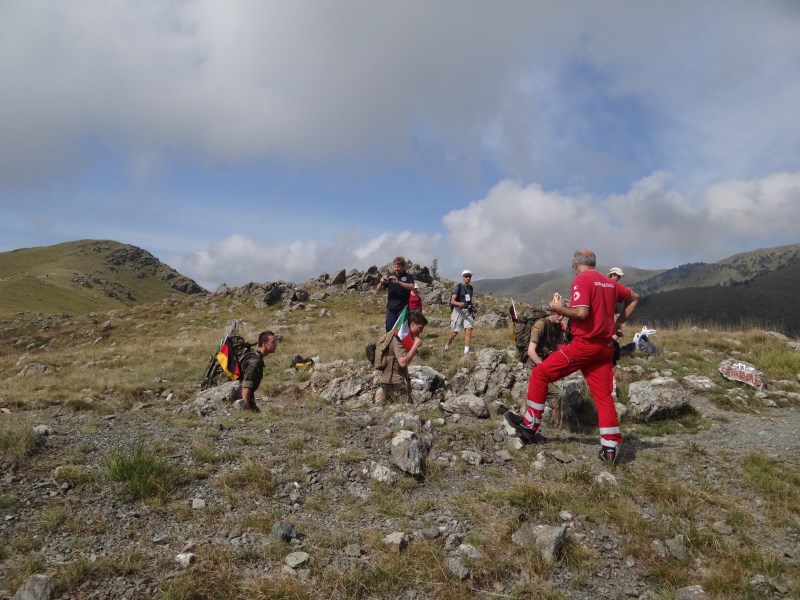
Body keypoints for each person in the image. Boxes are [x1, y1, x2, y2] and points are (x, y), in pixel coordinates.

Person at [506, 249, 640, 463]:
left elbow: (582, 313)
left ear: (574, 264)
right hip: (605, 347)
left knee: (540, 373)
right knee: (603, 397)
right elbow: (634, 297)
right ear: (594, 263)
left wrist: (558, 308)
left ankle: (529, 426)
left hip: (584, 346)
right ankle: (610, 448)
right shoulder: (610, 283)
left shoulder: (582, 280)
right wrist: (617, 323)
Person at [380, 311, 428, 404]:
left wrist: (408, 380)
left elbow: (402, 362)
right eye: (420, 328)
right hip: (394, 381)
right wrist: (414, 347)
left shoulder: (402, 338)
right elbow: (403, 362)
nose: (421, 331)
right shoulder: (397, 338)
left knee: (387, 408)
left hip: (388, 379)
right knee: (408, 409)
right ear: (413, 324)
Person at [237, 331, 279, 412]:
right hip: (236, 394)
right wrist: (246, 410)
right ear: (264, 344)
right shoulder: (255, 361)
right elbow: (246, 386)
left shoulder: (256, 356)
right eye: (273, 342)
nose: (275, 344)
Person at [376, 256, 415, 332]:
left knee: (401, 330)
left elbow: (412, 287)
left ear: (403, 267)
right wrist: (381, 283)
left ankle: (401, 343)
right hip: (391, 308)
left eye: (398, 267)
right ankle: (390, 343)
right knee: (390, 329)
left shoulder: (408, 277)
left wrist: (399, 282)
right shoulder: (390, 278)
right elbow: (378, 290)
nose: (396, 269)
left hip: (403, 308)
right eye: (395, 267)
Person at [445, 270, 474, 354]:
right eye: (466, 276)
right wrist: (461, 304)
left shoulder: (470, 288)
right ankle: (447, 344)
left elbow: (469, 299)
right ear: (463, 277)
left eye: (470, 276)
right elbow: (452, 301)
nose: (468, 278)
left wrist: (471, 306)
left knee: (469, 330)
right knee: (455, 332)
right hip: (458, 311)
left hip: (467, 311)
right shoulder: (458, 287)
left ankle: (466, 352)